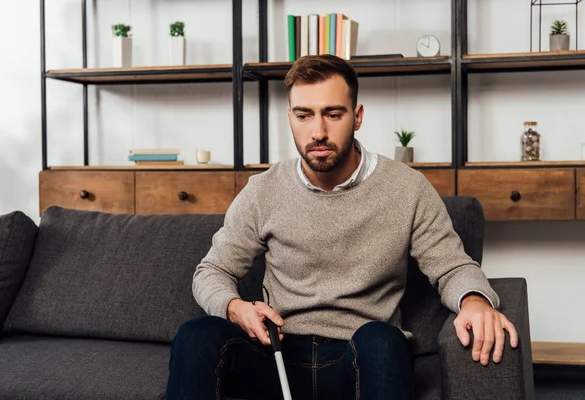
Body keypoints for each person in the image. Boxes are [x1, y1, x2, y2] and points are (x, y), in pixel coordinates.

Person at [165, 54, 519, 400]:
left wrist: (474, 300)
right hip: (278, 355)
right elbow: (211, 270)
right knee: (196, 335)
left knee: (383, 340)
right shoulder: (263, 190)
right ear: (290, 118)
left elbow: (452, 265)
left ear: (358, 116)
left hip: (361, 356)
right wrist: (233, 307)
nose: (318, 132)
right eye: (304, 116)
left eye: (333, 115)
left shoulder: (407, 188)